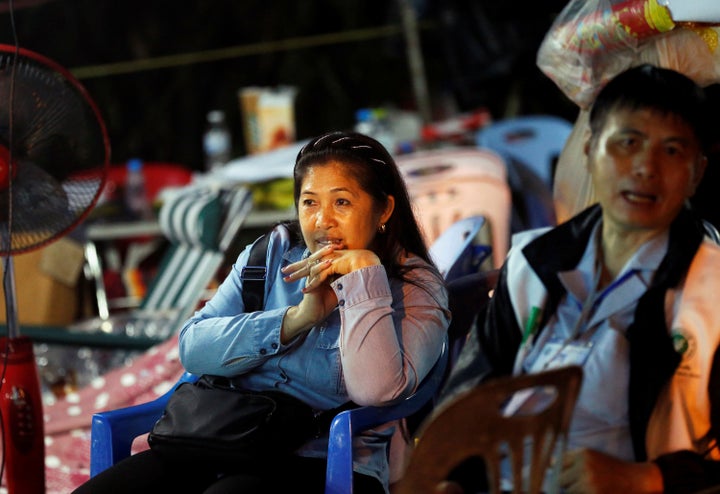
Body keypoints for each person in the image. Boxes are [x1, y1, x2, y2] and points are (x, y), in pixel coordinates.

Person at [73, 131, 450, 494]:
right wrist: (296, 319)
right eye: (310, 202)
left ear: (383, 208)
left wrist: (364, 277)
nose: (322, 221)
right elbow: (192, 347)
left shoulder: (415, 287)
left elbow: (376, 391)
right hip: (222, 438)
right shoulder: (272, 253)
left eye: (342, 202)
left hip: (320, 458)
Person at [440, 64, 720, 493]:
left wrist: (648, 478)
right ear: (589, 150)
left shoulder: (709, 290)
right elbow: (468, 395)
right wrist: (452, 478)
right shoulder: (532, 264)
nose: (646, 167)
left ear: (697, 173)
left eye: (671, 151)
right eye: (628, 142)